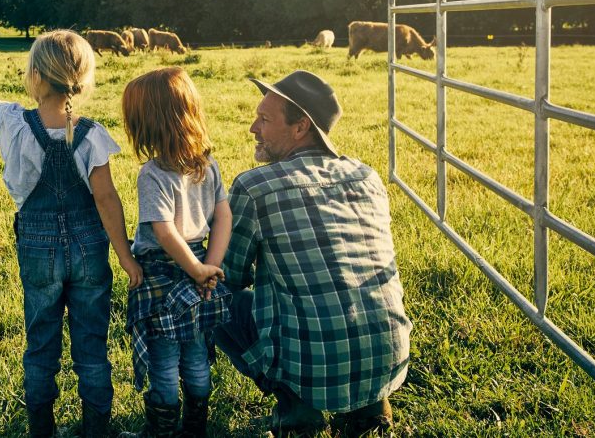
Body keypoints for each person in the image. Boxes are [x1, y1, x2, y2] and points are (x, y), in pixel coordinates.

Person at [0, 29, 143, 438]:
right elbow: (106, 200)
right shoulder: (91, 134)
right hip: (89, 249)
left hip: (37, 247)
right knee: (92, 345)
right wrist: (126, 255)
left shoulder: (14, 123)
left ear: (36, 77)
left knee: (41, 344)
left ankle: (42, 430)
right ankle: (98, 430)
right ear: (82, 78)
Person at [214, 70, 411, 437]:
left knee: (211, 296)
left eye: (265, 119)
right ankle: (370, 407)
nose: (253, 128)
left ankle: (297, 406)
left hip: (314, 368)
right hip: (390, 359)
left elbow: (229, 275)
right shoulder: (366, 176)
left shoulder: (255, 186)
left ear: (301, 126)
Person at [118, 67, 232, 438]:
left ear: (147, 124)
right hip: (199, 268)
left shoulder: (153, 173)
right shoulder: (208, 164)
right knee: (197, 352)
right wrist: (209, 266)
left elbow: (163, 232)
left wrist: (198, 269)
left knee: (164, 358)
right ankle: (195, 428)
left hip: (164, 276)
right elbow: (223, 216)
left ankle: (162, 432)